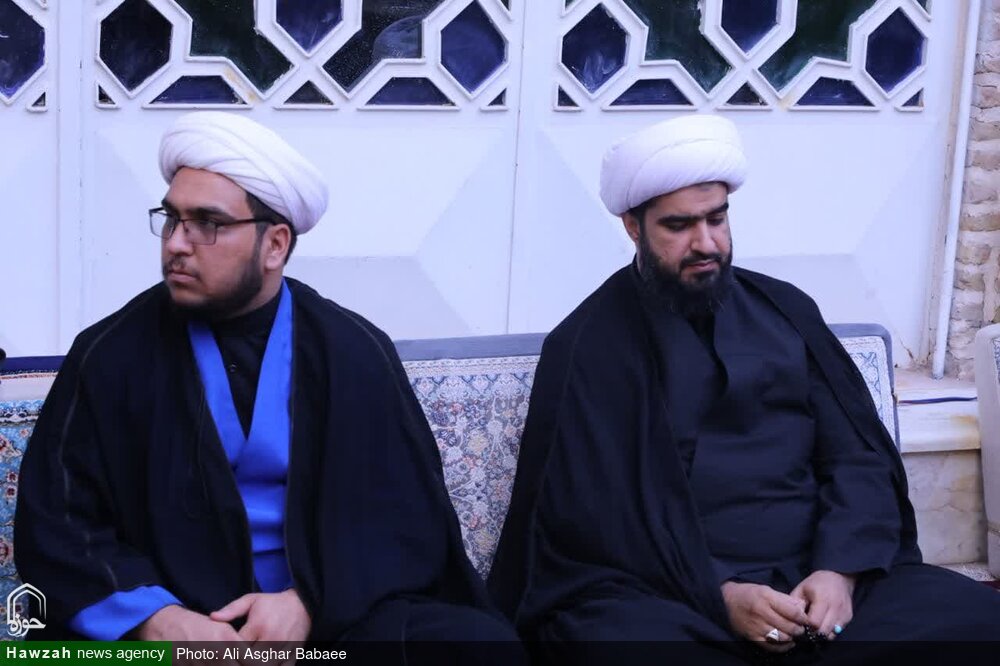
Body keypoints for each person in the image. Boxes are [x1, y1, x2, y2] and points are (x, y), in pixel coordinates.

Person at [487, 114, 1000, 664]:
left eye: (717, 218)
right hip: (671, 595)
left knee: (975, 620)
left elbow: (857, 458)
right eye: (678, 226)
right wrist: (720, 595)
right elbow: (592, 522)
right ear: (633, 227)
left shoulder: (787, 312)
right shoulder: (589, 345)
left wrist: (840, 572)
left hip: (816, 578)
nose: (705, 242)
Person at [14, 112, 525, 661]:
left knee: (479, 648)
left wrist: (309, 602)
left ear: (275, 244)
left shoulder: (351, 351)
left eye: (207, 223)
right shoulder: (110, 354)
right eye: (172, 218)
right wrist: (157, 620)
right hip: (173, 630)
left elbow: (406, 524)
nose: (177, 243)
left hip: (325, 630)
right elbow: (57, 524)